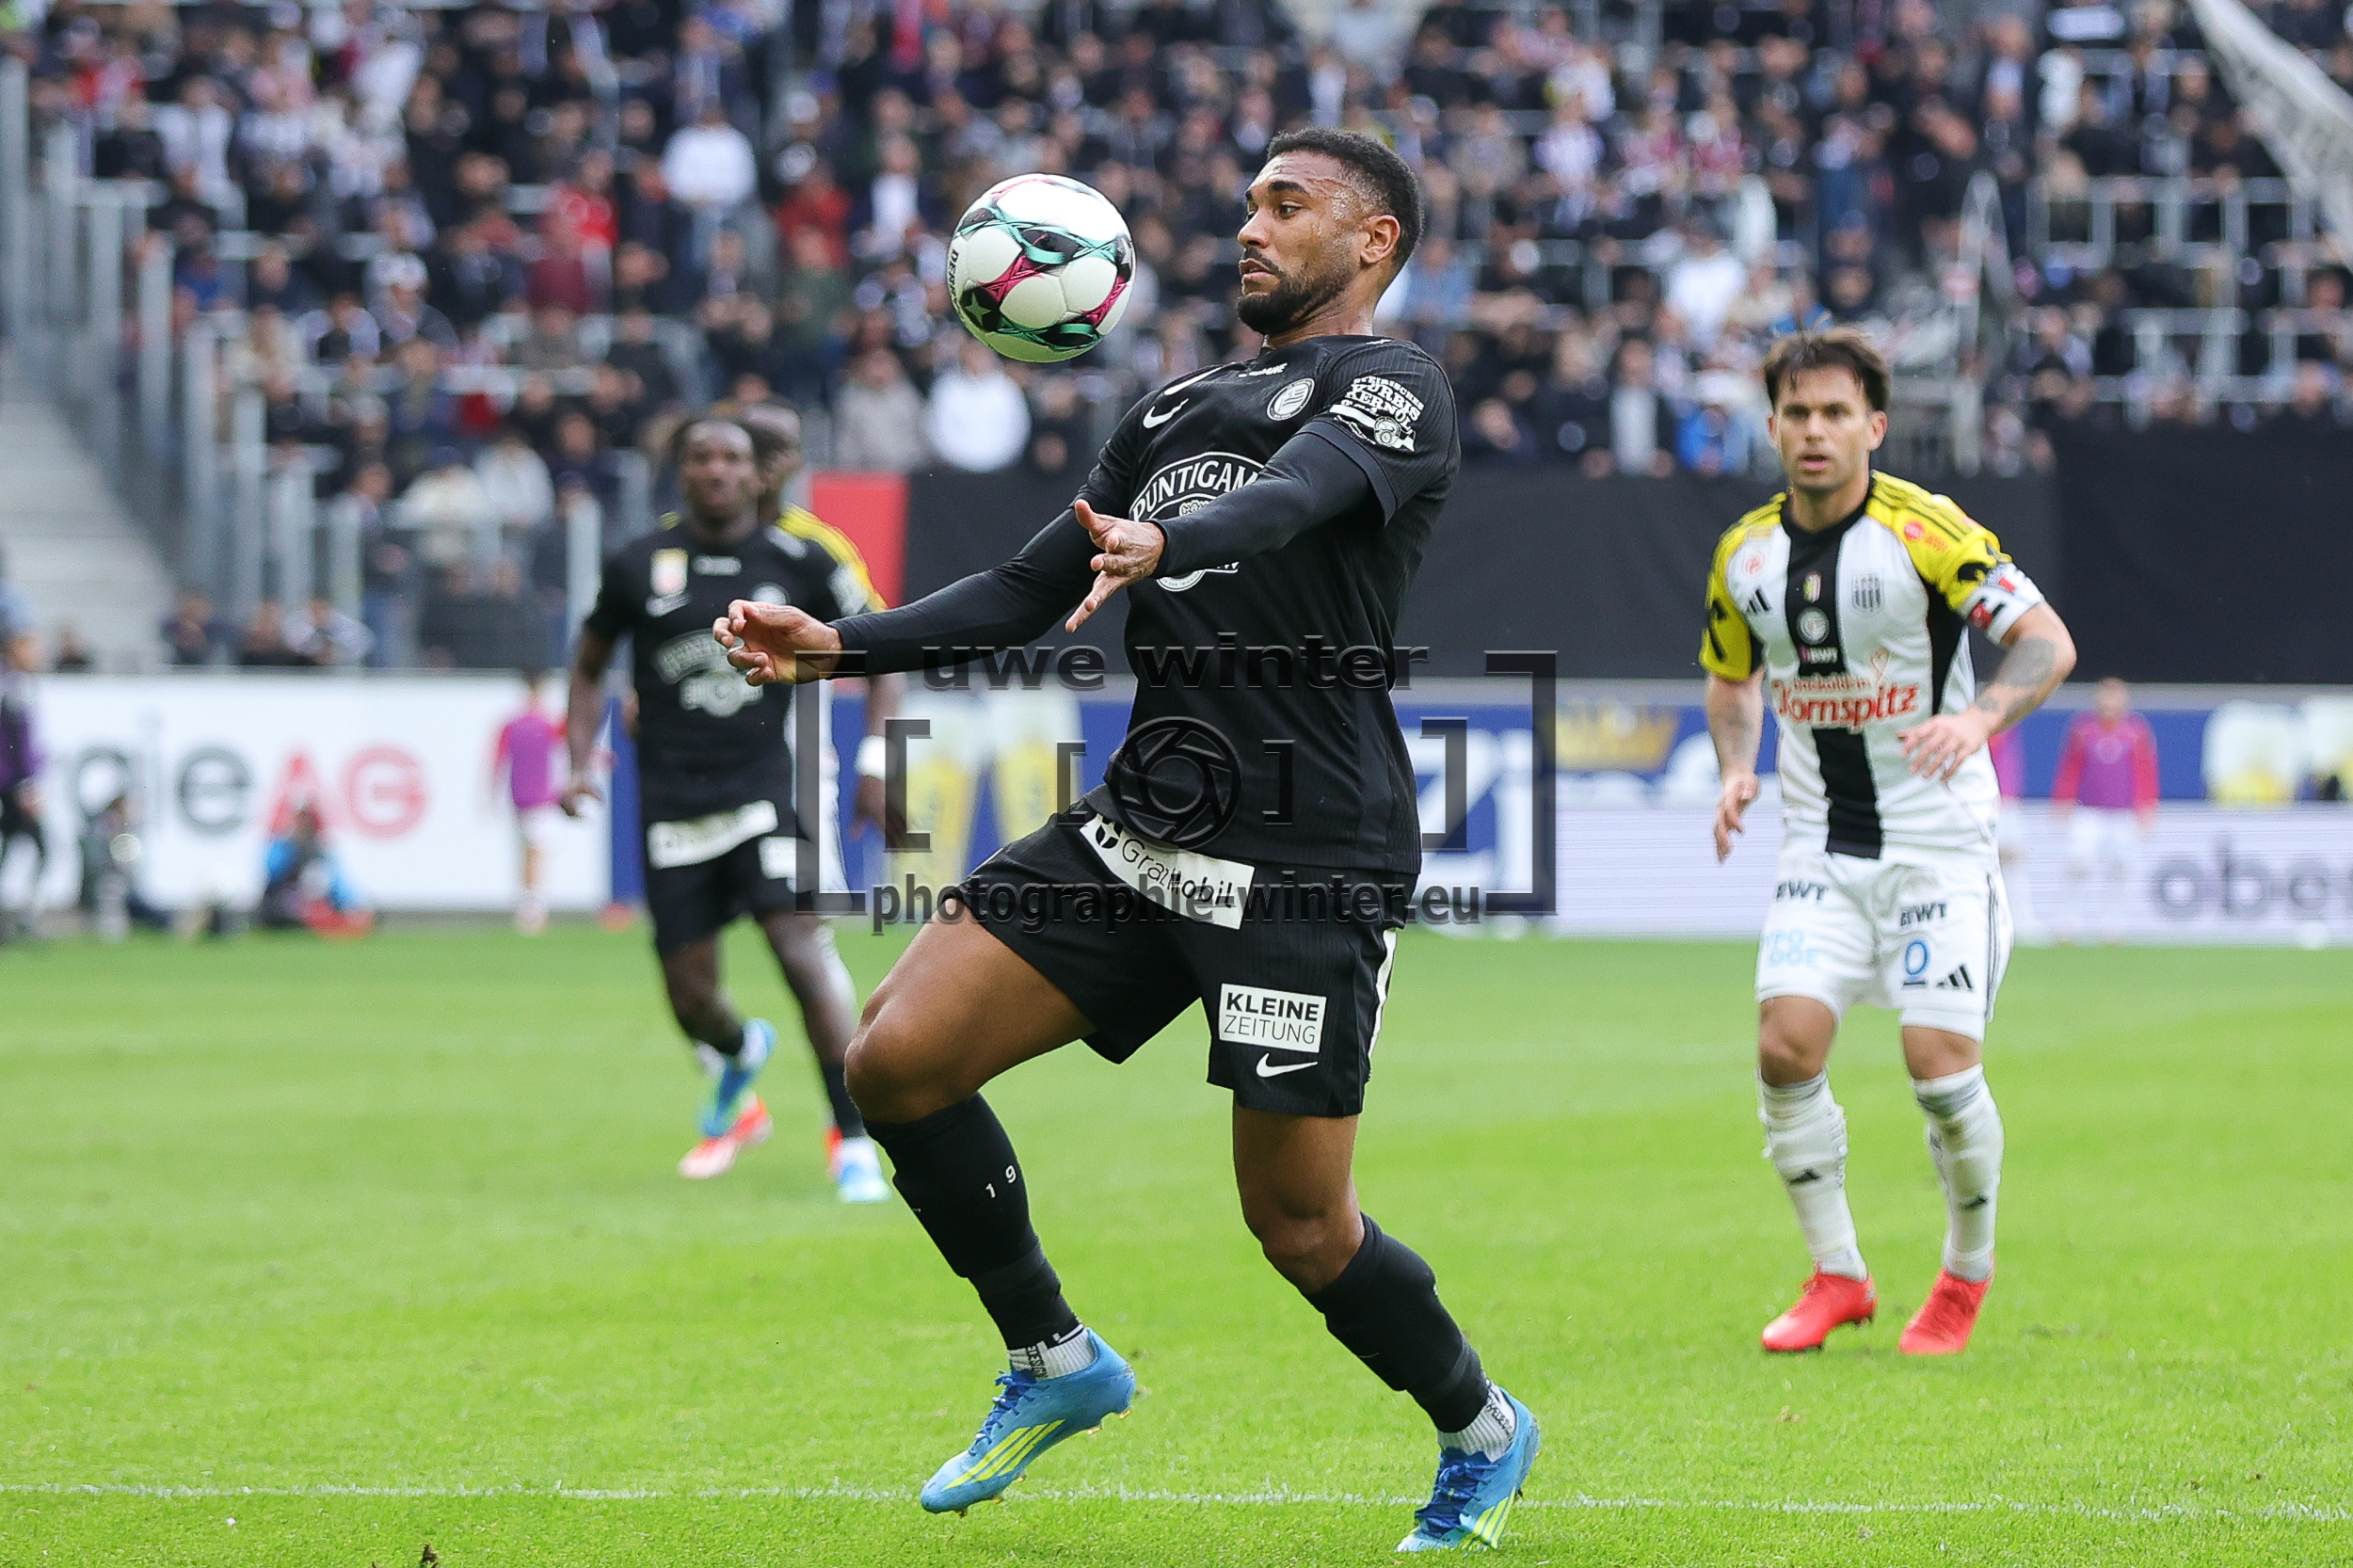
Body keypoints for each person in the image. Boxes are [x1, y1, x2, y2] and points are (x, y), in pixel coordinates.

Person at [715, 129, 1542, 1550]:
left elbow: (1303, 492)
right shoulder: (1171, 410)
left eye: (1289, 205)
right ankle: (1053, 1356)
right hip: (1140, 827)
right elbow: (1025, 587)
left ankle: (1481, 1425)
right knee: (895, 1059)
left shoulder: (1396, 386)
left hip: (1304, 853)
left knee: (1300, 1227)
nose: (1252, 227)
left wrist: (1179, 541)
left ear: (1376, 241)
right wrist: (835, 644)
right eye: (1248, 205)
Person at [1703, 329, 2076, 1358]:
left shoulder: (1926, 532)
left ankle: (1964, 1273)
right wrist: (1735, 767)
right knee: (1784, 1046)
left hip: (1938, 841)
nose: (1814, 431)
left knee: (1938, 1069)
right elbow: (1731, 679)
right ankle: (1839, 1274)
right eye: (1797, 413)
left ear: (1873, 425)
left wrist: (1977, 718)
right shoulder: (1745, 555)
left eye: (1835, 413)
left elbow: (2046, 642)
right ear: (1772, 425)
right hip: (1819, 844)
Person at [562, 415, 893, 1204]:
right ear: (681, 471)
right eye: (702, 458)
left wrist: (878, 761)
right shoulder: (638, 563)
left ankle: (852, 1141)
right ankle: (742, 1051)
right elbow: (588, 666)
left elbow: (884, 648)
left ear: (756, 475)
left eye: (733, 459)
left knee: (798, 948)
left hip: (769, 790)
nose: (718, 471)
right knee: (690, 996)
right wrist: (578, 760)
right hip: (673, 802)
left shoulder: (803, 558)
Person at [2052, 677, 2158, 943]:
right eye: (2105, 697)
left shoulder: (2136, 732)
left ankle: (2114, 924)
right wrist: (2063, 799)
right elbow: (2071, 767)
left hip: (2123, 813)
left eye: (2115, 697)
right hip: (2089, 812)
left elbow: (2145, 771)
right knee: (2078, 863)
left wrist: (2147, 805)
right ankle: (2068, 921)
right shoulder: (2084, 729)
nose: (2109, 703)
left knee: (2120, 868)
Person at [491, 670, 567, 935]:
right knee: (539, 850)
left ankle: (526, 905)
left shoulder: (512, 724)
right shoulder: (548, 723)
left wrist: (493, 795)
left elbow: (498, 761)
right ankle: (533, 908)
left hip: (519, 797)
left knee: (526, 851)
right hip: (542, 797)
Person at [257, 805, 374, 936]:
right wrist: (290, 852)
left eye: (307, 821)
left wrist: (351, 905)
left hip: (312, 902)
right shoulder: (282, 846)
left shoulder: (320, 849)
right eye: (301, 821)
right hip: (283, 901)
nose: (304, 825)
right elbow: (272, 874)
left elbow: (337, 882)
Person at [0, 635, 44, 941]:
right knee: (43, 850)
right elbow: (18, 745)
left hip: (10, 785)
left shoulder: (14, 685)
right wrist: (27, 785)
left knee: (10, 849)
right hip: (12, 787)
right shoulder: (14, 688)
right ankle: (24, 919)